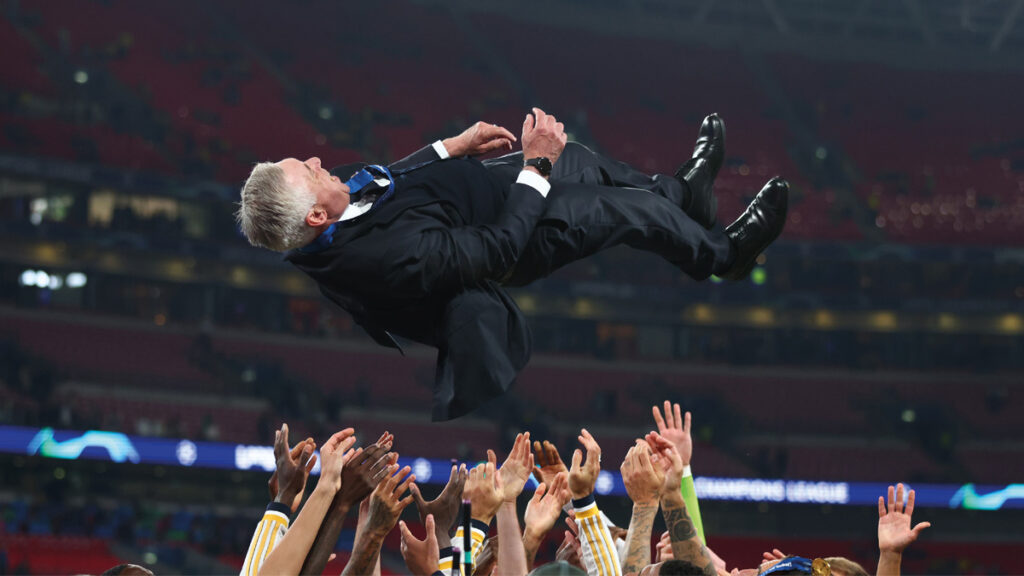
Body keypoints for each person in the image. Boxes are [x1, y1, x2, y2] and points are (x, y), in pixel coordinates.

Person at [237, 108, 787, 419]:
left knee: (583, 160)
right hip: (513, 232)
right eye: (306, 170)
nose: (315, 159)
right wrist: (536, 167)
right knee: (624, 209)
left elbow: (386, 182)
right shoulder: (385, 260)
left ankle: (688, 196)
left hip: (487, 195)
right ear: (313, 217)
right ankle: (724, 256)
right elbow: (496, 251)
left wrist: (450, 147)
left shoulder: (334, 210)